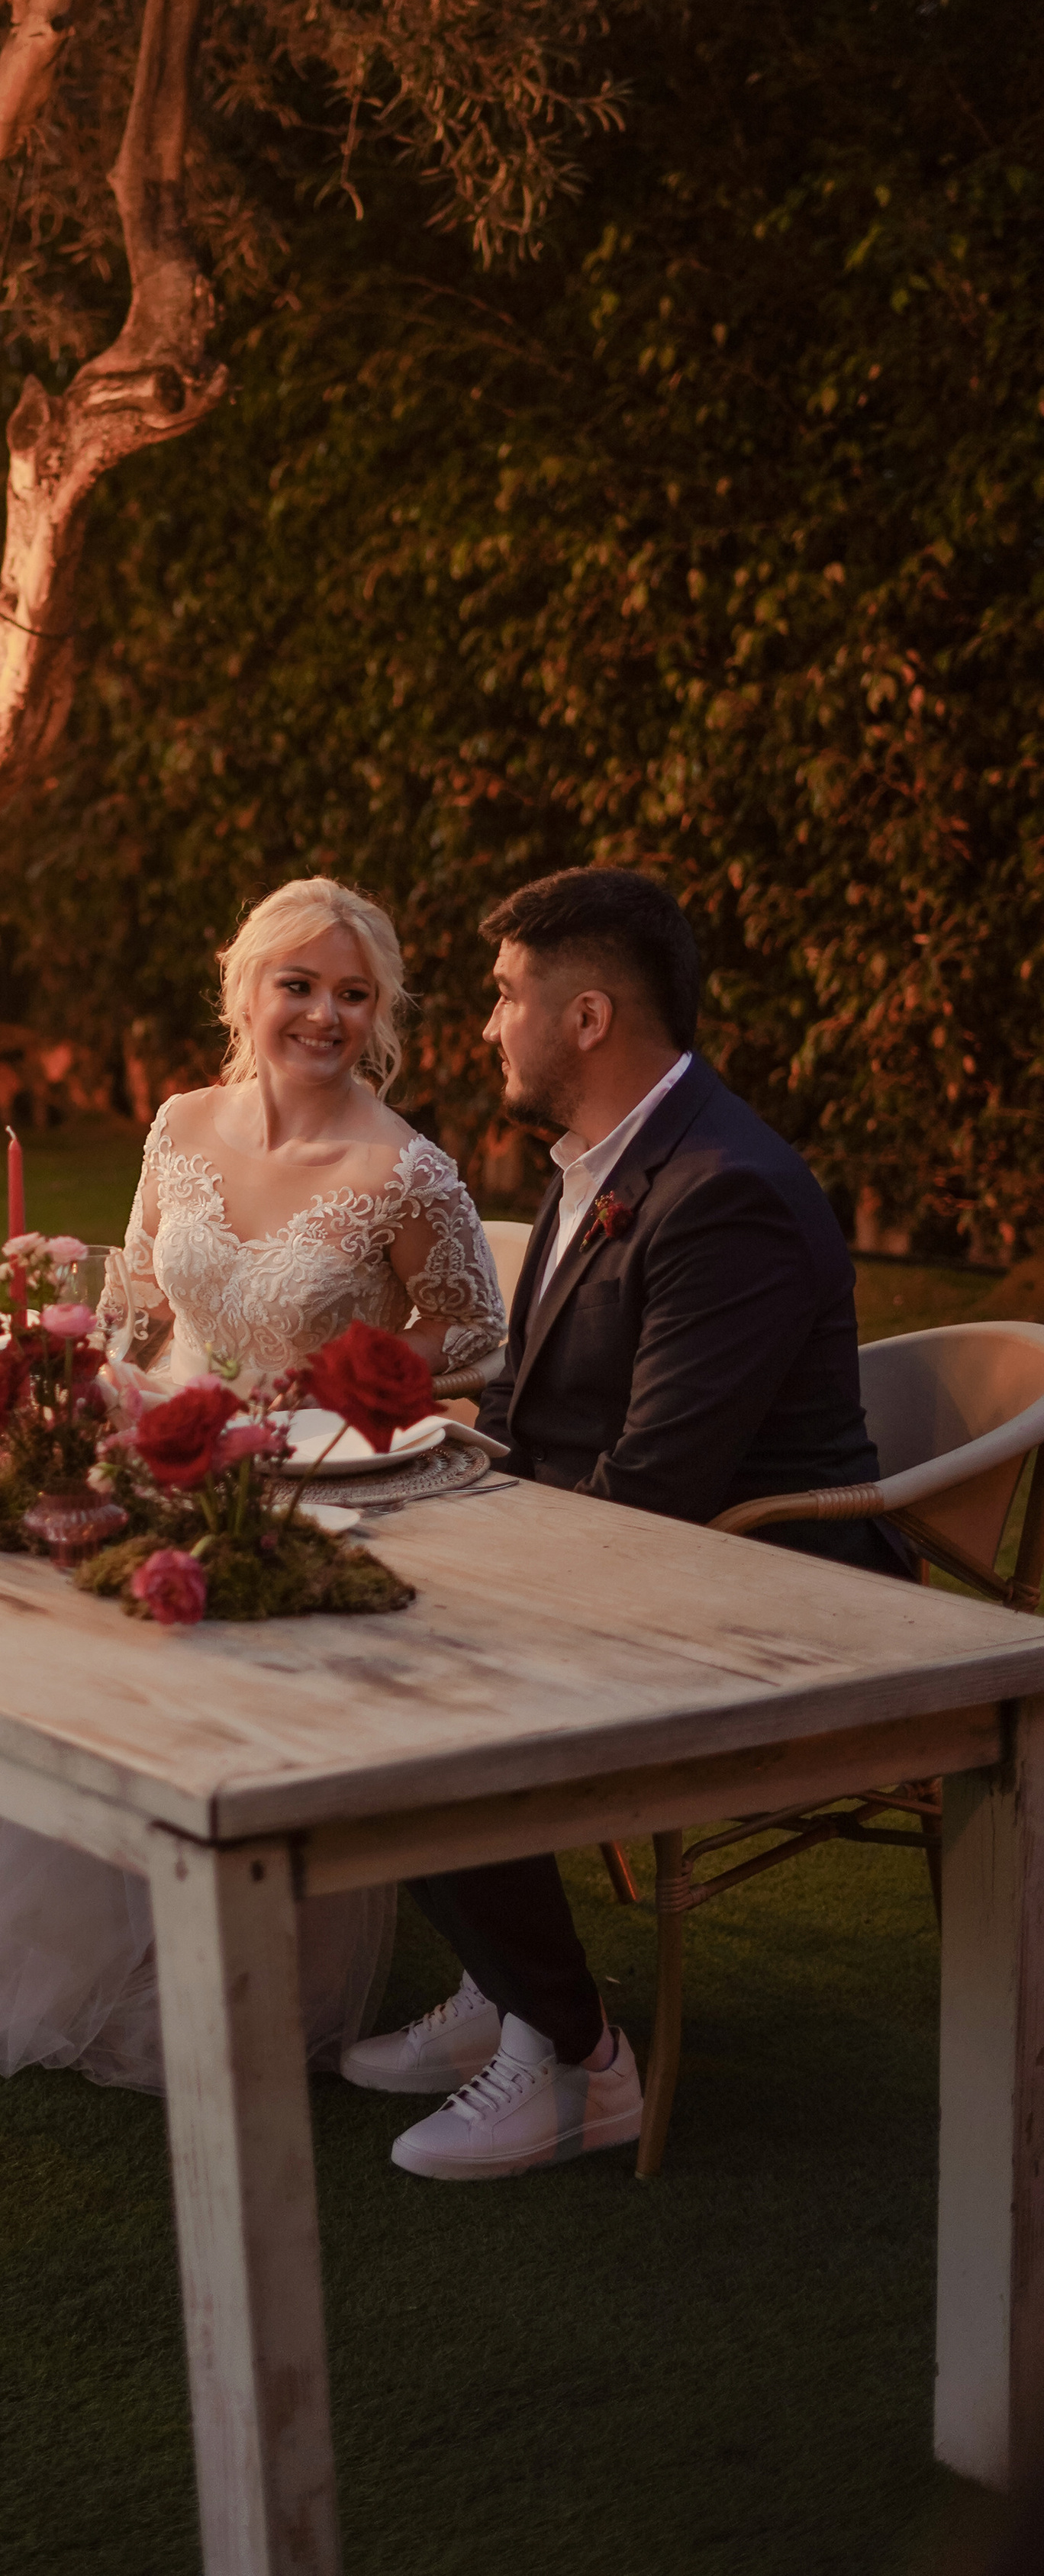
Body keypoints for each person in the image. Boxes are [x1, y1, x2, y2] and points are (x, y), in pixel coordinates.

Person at [0, 874, 507, 2089]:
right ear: (247, 990)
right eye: (300, 985)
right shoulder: (178, 1125)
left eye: (352, 994)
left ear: (380, 1013)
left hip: (294, 1479)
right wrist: (77, 1413)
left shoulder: (407, 1170)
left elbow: (471, 1335)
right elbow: (136, 1302)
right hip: (146, 1441)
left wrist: (361, 1376)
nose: (324, 1014)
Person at [343, 865, 910, 2179]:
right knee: (346, 1605)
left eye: (503, 997)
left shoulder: (727, 1192)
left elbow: (657, 1490)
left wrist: (464, 1553)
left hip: (774, 1588)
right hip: (657, 1543)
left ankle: (580, 2063)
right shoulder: (613, 1159)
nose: (487, 1027)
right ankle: (508, 1986)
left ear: (586, 1018)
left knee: (398, 1686)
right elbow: (554, 1414)